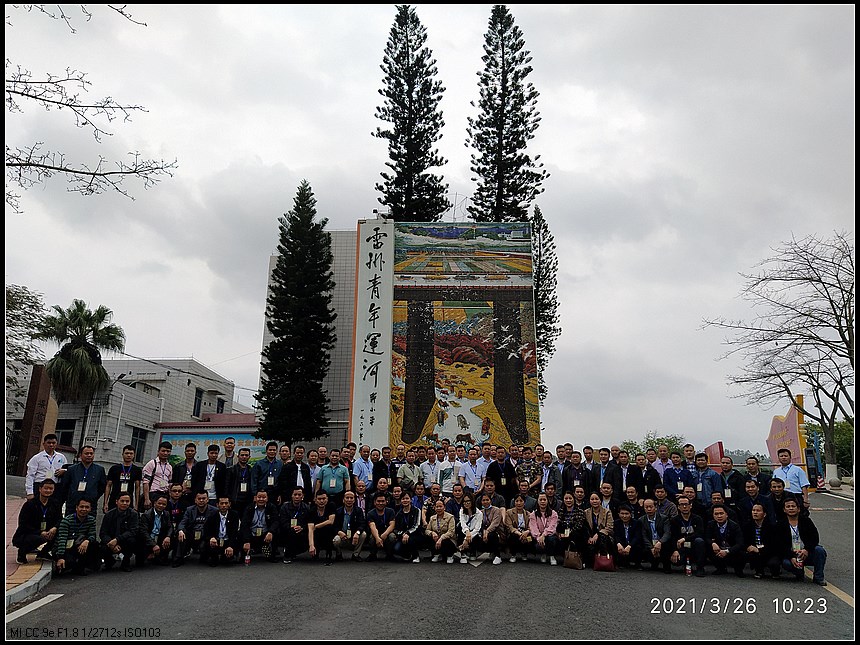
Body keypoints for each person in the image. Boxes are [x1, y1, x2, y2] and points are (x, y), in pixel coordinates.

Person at [778, 497, 826, 585]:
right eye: (788, 507)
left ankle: (818, 577)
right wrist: (791, 556)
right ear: (784, 510)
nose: (791, 508)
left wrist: (806, 549)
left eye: (793, 506)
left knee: (820, 550)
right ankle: (799, 572)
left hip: (806, 552)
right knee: (786, 563)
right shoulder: (780, 524)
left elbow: (814, 538)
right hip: (792, 554)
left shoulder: (806, 521)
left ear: (798, 509)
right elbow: (780, 545)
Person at [13, 478, 63, 563]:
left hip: (48, 531)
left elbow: (60, 519)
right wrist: (40, 532)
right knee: (37, 539)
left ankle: (43, 553)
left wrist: (55, 528)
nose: (48, 491)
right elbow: (23, 524)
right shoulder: (29, 504)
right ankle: (22, 553)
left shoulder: (55, 503)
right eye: (46, 488)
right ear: (40, 489)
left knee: (61, 533)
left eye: (51, 489)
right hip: (30, 533)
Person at [54, 497, 100, 576]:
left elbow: (92, 535)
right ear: (76, 508)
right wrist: (60, 557)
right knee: (68, 564)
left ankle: (85, 566)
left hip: (79, 545)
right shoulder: (67, 521)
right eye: (81, 507)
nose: (84, 509)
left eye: (87, 507)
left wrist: (87, 541)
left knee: (94, 544)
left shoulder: (91, 520)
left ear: (90, 509)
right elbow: (62, 540)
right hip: (66, 547)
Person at [172, 490, 217, 567]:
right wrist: (180, 530)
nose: (201, 500)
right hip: (192, 534)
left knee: (205, 550)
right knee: (181, 534)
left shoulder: (214, 510)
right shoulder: (189, 510)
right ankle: (178, 558)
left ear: (207, 500)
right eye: (199, 499)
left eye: (203, 498)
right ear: (195, 500)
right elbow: (183, 522)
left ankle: (208, 556)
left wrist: (213, 536)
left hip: (206, 535)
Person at [99, 491, 139, 572]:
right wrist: (111, 543)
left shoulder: (134, 514)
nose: (125, 503)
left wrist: (117, 540)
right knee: (102, 546)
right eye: (122, 501)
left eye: (127, 501)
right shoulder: (109, 515)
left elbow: (133, 531)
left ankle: (126, 563)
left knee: (132, 541)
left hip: (124, 540)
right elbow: (103, 533)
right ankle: (109, 562)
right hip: (111, 540)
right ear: (116, 502)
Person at [62, 445, 107, 516]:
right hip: (73, 504)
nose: (89, 455)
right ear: (80, 455)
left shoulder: (99, 470)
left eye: (91, 453)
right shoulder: (72, 469)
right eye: (86, 453)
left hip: (91, 504)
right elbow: (65, 486)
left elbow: (102, 487)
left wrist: (94, 496)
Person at [669, 496, 706, 576]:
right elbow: (673, 536)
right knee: (677, 562)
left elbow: (699, 533)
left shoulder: (697, 519)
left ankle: (700, 568)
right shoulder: (674, 520)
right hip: (681, 547)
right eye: (682, 504)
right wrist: (675, 550)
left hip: (694, 545)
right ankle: (686, 564)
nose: (684, 507)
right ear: (678, 507)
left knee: (699, 541)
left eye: (686, 504)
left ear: (690, 505)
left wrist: (685, 539)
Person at [706, 503, 745, 576]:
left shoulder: (734, 526)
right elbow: (707, 538)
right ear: (713, 515)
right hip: (719, 549)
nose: (719, 516)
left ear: (726, 514)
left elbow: (740, 543)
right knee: (706, 546)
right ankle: (720, 568)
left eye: (721, 513)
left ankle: (738, 569)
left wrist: (727, 551)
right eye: (716, 514)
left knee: (740, 551)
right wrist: (712, 543)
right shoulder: (710, 524)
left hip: (731, 550)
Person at [743, 502, 780, 579]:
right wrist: (748, 547)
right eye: (753, 510)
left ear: (764, 514)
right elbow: (744, 541)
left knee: (774, 562)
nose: (755, 512)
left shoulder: (772, 527)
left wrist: (759, 550)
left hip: (769, 552)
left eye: (758, 511)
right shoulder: (747, 526)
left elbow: (774, 545)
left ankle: (775, 572)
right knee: (750, 554)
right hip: (754, 551)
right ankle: (759, 571)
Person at [241, 490, 280, 563]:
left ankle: (272, 553)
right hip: (252, 534)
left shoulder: (271, 507)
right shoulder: (249, 508)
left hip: (265, 535)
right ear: (255, 498)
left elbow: (276, 521)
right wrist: (246, 540)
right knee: (240, 533)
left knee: (276, 532)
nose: (261, 499)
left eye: (264, 497)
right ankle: (246, 551)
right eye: (259, 497)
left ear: (267, 498)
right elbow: (244, 525)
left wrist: (270, 532)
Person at [25, 434, 67, 500]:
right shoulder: (37, 458)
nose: (51, 445)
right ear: (43, 444)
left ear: (56, 444)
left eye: (53, 443)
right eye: (49, 443)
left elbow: (67, 470)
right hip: (40, 485)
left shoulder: (61, 457)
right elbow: (30, 476)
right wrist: (29, 492)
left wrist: (64, 471)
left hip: (55, 487)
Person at [201, 496, 240, 566]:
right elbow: (206, 530)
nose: (224, 505)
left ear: (229, 504)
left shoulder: (234, 515)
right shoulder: (212, 515)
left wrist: (230, 546)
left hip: (228, 541)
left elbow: (234, 532)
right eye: (221, 503)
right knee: (212, 561)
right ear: (217, 505)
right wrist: (211, 538)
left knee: (226, 561)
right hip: (216, 541)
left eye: (226, 503)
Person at [104, 445, 143, 513]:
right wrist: (105, 503)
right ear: (122, 454)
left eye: (131, 453)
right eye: (126, 453)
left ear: (134, 455)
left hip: (128, 501)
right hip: (114, 500)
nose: (129, 455)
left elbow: (137, 487)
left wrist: (137, 505)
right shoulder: (114, 468)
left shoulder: (137, 470)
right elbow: (108, 486)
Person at [138, 493, 173, 566]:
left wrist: (168, 537)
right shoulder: (146, 515)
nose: (161, 506)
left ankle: (160, 556)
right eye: (159, 503)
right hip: (149, 538)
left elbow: (170, 527)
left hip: (159, 537)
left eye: (164, 504)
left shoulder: (166, 514)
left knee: (173, 537)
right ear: (154, 503)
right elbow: (144, 532)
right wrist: (153, 545)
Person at [639, 498, 672, 573]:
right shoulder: (641, 520)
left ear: (656, 507)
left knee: (667, 544)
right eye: (646, 507)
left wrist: (660, 542)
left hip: (661, 543)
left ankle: (666, 565)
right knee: (642, 545)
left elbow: (667, 533)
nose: (649, 509)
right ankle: (653, 563)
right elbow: (644, 536)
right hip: (650, 543)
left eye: (651, 507)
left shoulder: (664, 518)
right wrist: (651, 547)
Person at [332, 490, 366, 561]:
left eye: (351, 498)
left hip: (354, 536)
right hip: (342, 535)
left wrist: (357, 533)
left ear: (354, 500)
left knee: (363, 534)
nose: (349, 500)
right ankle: (339, 554)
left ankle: (356, 555)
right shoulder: (338, 511)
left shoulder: (358, 510)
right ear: (343, 500)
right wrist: (339, 532)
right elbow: (335, 526)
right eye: (347, 498)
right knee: (336, 540)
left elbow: (362, 524)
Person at [584, 491, 614, 567]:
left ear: (600, 500)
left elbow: (609, 527)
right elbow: (584, 527)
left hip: (604, 536)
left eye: (596, 499)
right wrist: (589, 537)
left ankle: (604, 561)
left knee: (602, 538)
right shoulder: (586, 512)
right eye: (592, 499)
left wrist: (598, 534)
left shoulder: (607, 512)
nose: (594, 501)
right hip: (590, 537)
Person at [392, 491, 423, 562]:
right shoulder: (399, 513)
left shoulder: (417, 510)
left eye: (407, 498)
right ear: (400, 500)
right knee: (396, 548)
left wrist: (407, 533)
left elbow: (417, 525)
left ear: (411, 500)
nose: (405, 500)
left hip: (415, 534)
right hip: (402, 535)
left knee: (411, 540)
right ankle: (408, 555)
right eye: (403, 499)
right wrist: (403, 534)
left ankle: (416, 556)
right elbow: (396, 528)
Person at [141, 441, 173, 509]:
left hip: (165, 494)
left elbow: (170, 483)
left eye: (168, 451)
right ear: (158, 451)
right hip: (153, 494)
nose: (165, 453)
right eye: (163, 451)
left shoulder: (169, 466)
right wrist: (147, 499)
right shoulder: (152, 463)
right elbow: (146, 482)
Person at [530, 492, 559, 565]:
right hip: (539, 536)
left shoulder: (553, 513)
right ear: (537, 501)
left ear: (547, 501)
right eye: (541, 500)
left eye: (544, 500)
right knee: (536, 544)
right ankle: (543, 553)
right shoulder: (533, 514)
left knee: (551, 539)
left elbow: (552, 528)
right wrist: (539, 538)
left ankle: (552, 556)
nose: (542, 501)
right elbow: (533, 528)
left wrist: (543, 535)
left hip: (549, 535)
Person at [307, 491, 337, 564]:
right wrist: (311, 545)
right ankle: (315, 551)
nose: (321, 501)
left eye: (323, 499)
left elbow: (330, 521)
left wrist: (317, 526)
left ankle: (329, 554)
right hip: (317, 533)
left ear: (327, 499)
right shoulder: (312, 510)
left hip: (329, 532)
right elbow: (310, 529)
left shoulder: (331, 506)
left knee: (328, 527)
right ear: (315, 500)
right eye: (319, 499)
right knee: (313, 532)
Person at [365, 492, 396, 561]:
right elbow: (372, 526)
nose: (380, 503)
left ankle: (389, 554)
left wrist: (385, 534)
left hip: (387, 533)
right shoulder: (370, 513)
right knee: (372, 538)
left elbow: (392, 525)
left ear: (386, 502)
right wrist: (377, 538)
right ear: (374, 502)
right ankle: (373, 555)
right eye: (378, 501)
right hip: (376, 533)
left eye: (383, 501)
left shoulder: (390, 511)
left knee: (392, 536)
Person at [557, 491, 588, 558]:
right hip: (563, 532)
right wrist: (559, 533)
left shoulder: (580, 511)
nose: (568, 500)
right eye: (566, 498)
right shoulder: (561, 511)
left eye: (570, 498)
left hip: (575, 533)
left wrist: (568, 533)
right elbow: (558, 523)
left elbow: (579, 525)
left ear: (574, 499)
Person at [475, 493, 504, 565]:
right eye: (483, 500)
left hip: (496, 532)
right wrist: (484, 532)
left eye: (487, 500)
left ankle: (497, 556)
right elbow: (479, 524)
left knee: (492, 535)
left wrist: (487, 531)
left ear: (490, 501)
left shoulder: (496, 510)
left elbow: (495, 524)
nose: (485, 502)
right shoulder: (480, 512)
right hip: (484, 532)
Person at [425, 499, 457, 563]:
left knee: (445, 541)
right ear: (434, 508)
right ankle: (436, 554)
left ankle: (450, 555)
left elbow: (451, 532)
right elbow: (427, 530)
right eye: (437, 507)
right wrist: (432, 533)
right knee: (428, 537)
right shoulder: (432, 518)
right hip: (436, 539)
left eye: (440, 506)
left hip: (448, 540)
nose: (439, 508)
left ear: (444, 507)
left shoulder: (450, 517)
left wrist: (441, 538)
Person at [504, 495, 533, 562]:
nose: (519, 503)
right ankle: (513, 554)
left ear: (524, 502)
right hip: (515, 533)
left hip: (525, 534)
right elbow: (510, 527)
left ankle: (524, 553)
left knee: (530, 538)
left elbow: (531, 526)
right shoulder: (509, 512)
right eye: (517, 501)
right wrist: (520, 534)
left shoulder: (528, 514)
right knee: (513, 536)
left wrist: (527, 532)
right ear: (514, 502)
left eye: (521, 501)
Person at [614, 504, 643, 569]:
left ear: (630, 514)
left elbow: (637, 536)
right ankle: (621, 563)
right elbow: (616, 535)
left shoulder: (637, 523)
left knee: (639, 544)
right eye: (622, 514)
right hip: (622, 545)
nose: (624, 516)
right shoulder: (616, 523)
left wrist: (630, 546)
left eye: (626, 514)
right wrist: (618, 544)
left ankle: (637, 563)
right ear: (619, 514)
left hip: (632, 545)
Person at [226, 447, 254, 518]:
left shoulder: (251, 470)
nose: (244, 457)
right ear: (238, 456)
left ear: (249, 457)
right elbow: (227, 486)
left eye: (246, 455)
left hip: (247, 500)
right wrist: (228, 499)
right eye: (242, 455)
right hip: (235, 500)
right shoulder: (231, 470)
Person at [457, 493, 482, 563]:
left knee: (476, 535)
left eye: (468, 501)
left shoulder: (479, 513)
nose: (466, 503)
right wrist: (467, 532)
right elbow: (463, 524)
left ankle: (472, 552)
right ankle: (463, 553)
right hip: (465, 531)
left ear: (472, 501)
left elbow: (477, 529)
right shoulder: (461, 511)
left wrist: (466, 539)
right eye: (464, 501)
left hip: (474, 533)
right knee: (460, 528)